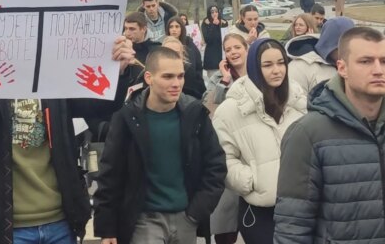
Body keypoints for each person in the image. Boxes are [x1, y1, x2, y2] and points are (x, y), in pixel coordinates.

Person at [0, 36, 135, 243]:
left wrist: (119, 71)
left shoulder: (55, 84)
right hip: (6, 225)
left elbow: (102, 105)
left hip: (59, 222)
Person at [93, 47, 227, 244]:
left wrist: (196, 212)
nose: (176, 83)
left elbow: (216, 166)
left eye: (180, 76)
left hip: (186, 218)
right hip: (144, 221)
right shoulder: (127, 118)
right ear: (149, 77)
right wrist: (107, 229)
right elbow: (110, 175)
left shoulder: (195, 114)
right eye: (168, 77)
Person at [274, 27, 385, 243]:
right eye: (366, 61)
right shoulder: (308, 134)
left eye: (384, 61)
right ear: (342, 68)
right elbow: (293, 227)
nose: (378, 70)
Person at [212, 39, 307, 244]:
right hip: (259, 211)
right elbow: (222, 158)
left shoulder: (298, 101)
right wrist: (251, 180)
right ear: (255, 67)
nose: (277, 70)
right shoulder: (231, 110)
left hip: (300, 206)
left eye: (281, 63)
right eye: (268, 65)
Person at [202, 33, 249, 244]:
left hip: (252, 146)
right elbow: (208, 108)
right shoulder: (217, 78)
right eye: (228, 49)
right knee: (226, 217)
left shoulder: (259, 74)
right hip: (228, 146)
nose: (233, 52)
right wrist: (225, 80)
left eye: (237, 47)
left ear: (246, 49)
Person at [286, 16, 355, 94]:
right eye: (342, 48)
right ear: (330, 46)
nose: (348, 53)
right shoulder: (298, 67)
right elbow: (292, 102)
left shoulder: (355, 64)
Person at [201, 5, 229, 77]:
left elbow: (226, 37)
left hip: (222, 53)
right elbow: (207, 39)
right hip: (211, 56)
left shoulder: (223, 22)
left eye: (216, 12)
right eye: (212, 12)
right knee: (213, 80)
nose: (214, 14)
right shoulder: (205, 23)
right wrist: (213, 25)